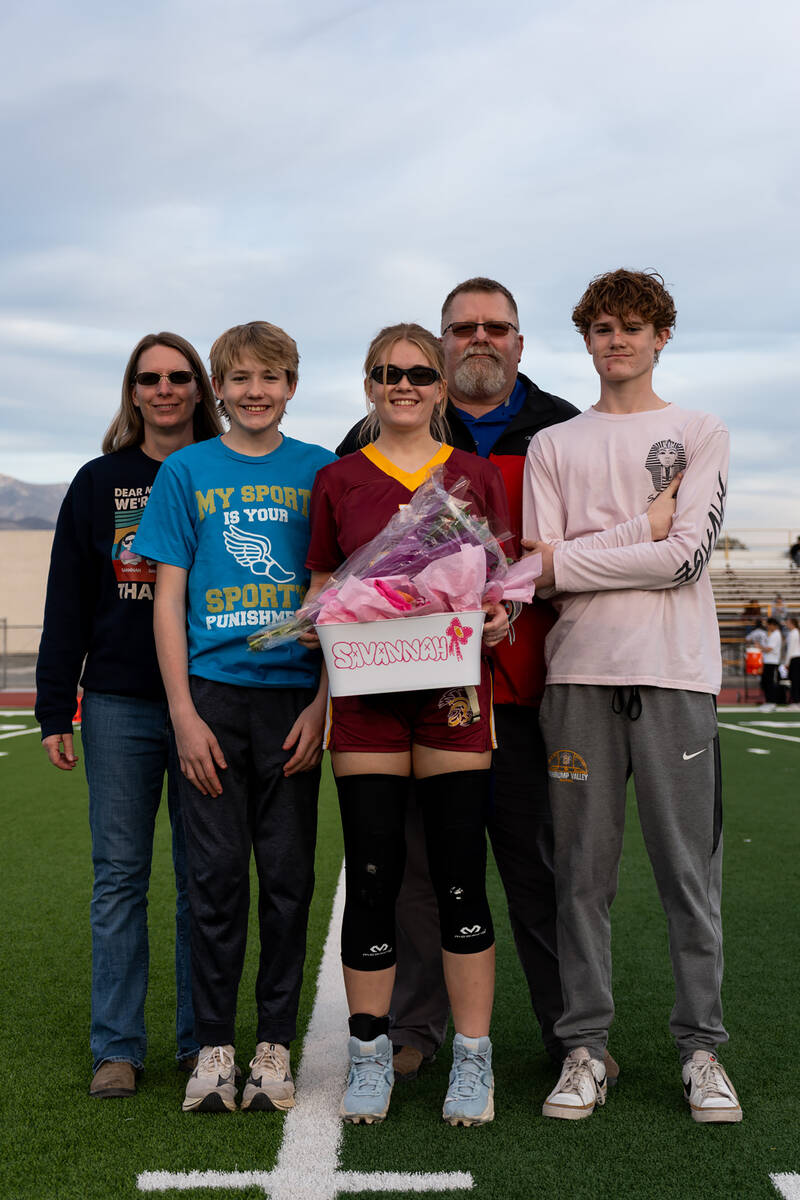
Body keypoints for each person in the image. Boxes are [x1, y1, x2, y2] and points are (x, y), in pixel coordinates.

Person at [336, 278, 595, 1082]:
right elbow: (347, 571)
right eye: (463, 327)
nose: (479, 337)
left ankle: (570, 1037)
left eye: (497, 326)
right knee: (414, 868)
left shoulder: (561, 430)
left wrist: (509, 607)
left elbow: (566, 552)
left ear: (520, 341)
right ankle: (414, 1030)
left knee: (535, 867)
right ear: (441, 345)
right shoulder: (364, 438)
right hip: (409, 695)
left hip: (531, 687)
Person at [524, 268, 742, 1124]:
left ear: (660, 338)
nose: (616, 339)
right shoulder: (555, 445)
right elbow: (535, 575)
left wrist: (575, 558)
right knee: (580, 876)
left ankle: (702, 1051)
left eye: (632, 327)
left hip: (675, 678)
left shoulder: (700, 430)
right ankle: (586, 1048)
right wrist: (633, 535)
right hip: (577, 676)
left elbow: (684, 556)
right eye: (601, 327)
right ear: (584, 339)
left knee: (689, 875)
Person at [305, 322, 510, 1126]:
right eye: (388, 373)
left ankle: (472, 1058)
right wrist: (323, 628)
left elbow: (499, 583)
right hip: (366, 699)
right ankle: (367, 1052)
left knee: (460, 873)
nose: (404, 385)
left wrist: (498, 620)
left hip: (453, 694)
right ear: (368, 383)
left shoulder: (472, 475)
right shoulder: (338, 478)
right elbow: (323, 581)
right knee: (376, 874)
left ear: (441, 385)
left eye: (420, 374)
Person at [133, 321, 335, 1114]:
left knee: (286, 881)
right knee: (213, 881)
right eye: (241, 378)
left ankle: (273, 1045)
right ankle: (215, 1047)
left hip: (293, 701)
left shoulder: (321, 471)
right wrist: (182, 711)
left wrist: (324, 703)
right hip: (213, 696)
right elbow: (169, 596)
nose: (256, 391)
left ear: (292, 385)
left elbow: (338, 598)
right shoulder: (186, 471)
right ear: (219, 387)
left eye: (272, 376)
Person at [35, 332, 223, 1098]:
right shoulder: (98, 481)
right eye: (151, 378)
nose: (166, 389)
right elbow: (67, 598)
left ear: (199, 388)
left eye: (180, 377)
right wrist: (56, 707)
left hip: (208, 701)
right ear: (133, 391)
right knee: (119, 878)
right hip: (117, 704)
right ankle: (118, 1046)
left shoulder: (219, 472)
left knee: (201, 878)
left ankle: (194, 1042)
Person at [760, 617, 783, 711]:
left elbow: (769, 649)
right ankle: (769, 701)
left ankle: (771, 702)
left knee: (769, 683)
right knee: (766, 682)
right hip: (769, 661)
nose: (767, 627)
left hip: (772, 662)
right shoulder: (774, 634)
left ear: (773, 625)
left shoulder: (776, 635)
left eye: (768, 625)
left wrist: (760, 647)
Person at [783, 616, 800, 708]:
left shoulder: (793, 633)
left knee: (795, 681)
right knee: (796, 681)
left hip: (794, 658)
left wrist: (787, 662)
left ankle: (796, 701)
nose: (787, 624)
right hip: (796, 658)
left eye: (788, 623)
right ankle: (796, 700)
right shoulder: (796, 632)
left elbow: (790, 649)